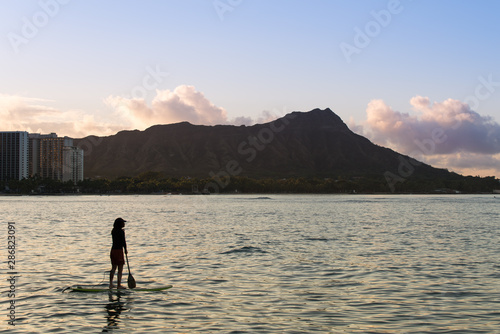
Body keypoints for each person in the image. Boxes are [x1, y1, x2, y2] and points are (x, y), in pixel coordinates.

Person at [109, 217, 128, 289]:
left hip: (113, 251)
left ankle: (111, 284)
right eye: (123, 223)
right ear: (120, 224)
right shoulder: (121, 232)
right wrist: (125, 250)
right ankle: (118, 285)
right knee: (120, 269)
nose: (124, 224)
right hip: (119, 251)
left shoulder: (113, 231)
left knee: (113, 268)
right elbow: (123, 241)